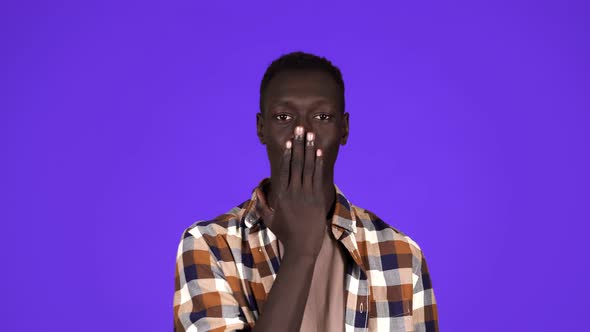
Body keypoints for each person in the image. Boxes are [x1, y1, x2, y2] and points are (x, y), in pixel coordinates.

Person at [173, 51, 439, 331]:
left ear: (344, 129)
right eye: (284, 116)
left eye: (322, 116)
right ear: (261, 129)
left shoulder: (402, 254)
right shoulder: (209, 246)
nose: (302, 132)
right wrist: (301, 250)